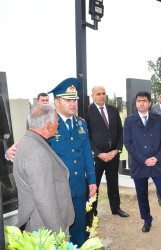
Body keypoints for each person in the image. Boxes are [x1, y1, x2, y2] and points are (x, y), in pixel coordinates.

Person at [47, 78, 97, 247]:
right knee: (58, 231)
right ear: (56, 102)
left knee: (79, 229)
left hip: (78, 188)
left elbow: (87, 155)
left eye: (74, 99)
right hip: (57, 189)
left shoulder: (81, 124)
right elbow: (31, 145)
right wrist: (9, 153)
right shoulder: (48, 124)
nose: (73, 103)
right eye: (68, 100)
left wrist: (91, 181)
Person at [123, 91, 161, 233]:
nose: (141, 103)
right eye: (138, 100)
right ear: (136, 103)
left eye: (144, 100)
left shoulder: (157, 119)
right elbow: (128, 143)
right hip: (140, 164)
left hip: (157, 162)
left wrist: (158, 157)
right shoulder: (129, 121)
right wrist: (143, 160)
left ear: (149, 103)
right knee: (142, 194)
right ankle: (147, 220)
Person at [14, 104, 74, 233]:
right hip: (44, 226)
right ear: (49, 125)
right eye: (57, 122)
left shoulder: (28, 141)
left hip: (40, 221)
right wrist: (58, 233)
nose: (58, 125)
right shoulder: (36, 152)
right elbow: (45, 199)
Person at [86, 86, 129, 217]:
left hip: (113, 155)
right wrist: (98, 153)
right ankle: (92, 211)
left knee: (113, 182)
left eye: (104, 93)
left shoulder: (113, 110)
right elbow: (87, 136)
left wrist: (117, 150)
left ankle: (116, 208)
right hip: (97, 156)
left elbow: (120, 132)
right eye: (98, 94)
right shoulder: (87, 111)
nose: (101, 96)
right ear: (92, 96)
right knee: (94, 184)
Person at [5, 92, 50, 161]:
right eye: (43, 100)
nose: (45, 102)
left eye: (47, 100)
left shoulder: (54, 117)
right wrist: (8, 154)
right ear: (38, 101)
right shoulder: (32, 117)